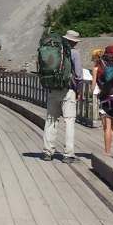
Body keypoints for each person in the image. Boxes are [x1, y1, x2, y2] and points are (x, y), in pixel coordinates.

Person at [42, 29, 83, 163]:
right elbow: (78, 74)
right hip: (68, 91)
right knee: (69, 121)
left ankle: (48, 152)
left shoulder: (52, 50)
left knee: (51, 120)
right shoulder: (74, 53)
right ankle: (68, 154)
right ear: (74, 42)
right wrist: (79, 91)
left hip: (52, 89)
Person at [91, 44, 113, 163]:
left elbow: (93, 86)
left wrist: (93, 93)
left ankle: (107, 152)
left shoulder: (97, 69)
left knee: (107, 128)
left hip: (105, 99)